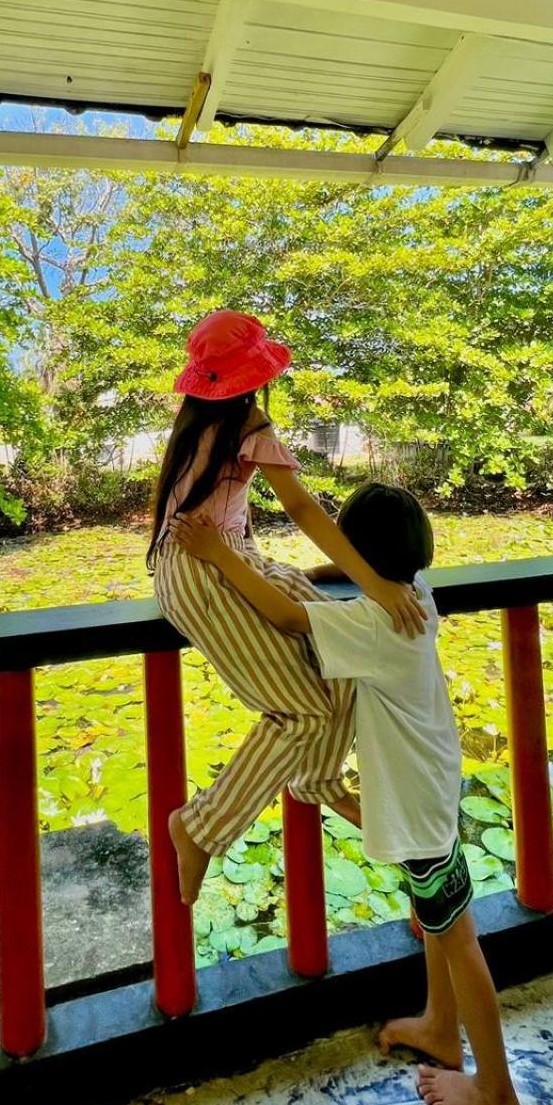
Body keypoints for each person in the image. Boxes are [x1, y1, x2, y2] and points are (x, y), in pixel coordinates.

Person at [177, 483, 526, 1105]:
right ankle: (438, 1028)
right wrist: (320, 570)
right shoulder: (413, 597)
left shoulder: (372, 622)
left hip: (419, 803)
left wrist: (219, 555)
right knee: (437, 916)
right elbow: (345, 576)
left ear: (361, 556)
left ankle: (497, 1096)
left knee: (458, 938)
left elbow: (285, 619)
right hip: (431, 779)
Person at [150, 310, 426, 906]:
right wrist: (375, 585)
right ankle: (197, 827)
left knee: (348, 654)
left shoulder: (200, 422)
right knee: (301, 711)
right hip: (200, 571)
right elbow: (302, 510)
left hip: (234, 555)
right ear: (253, 378)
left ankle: (319, 778)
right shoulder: (248, 425)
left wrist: (352, 578)